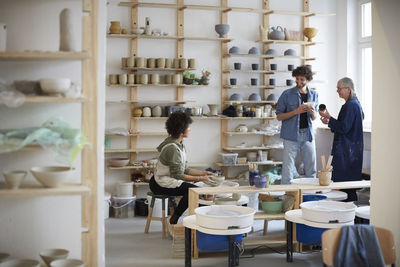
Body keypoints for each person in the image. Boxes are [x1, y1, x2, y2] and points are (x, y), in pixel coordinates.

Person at [149, 111, 214, 224]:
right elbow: (178, 175)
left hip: (166, 179)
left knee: (197, 189)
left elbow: (185, 169)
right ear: (181, 130)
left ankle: (202, 221)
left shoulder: (179, 144)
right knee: (194, 191)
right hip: (161, 183)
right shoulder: (172, 148)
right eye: (188, 127)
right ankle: (176, 218)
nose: (190, 129)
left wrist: (204, 173)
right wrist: (201, 179)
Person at [319, 77, 363, 201]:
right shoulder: (354, 104)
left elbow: (344, 128)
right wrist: (329, 121)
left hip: (346, 151)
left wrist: (329, 117)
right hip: (350, 150)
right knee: (348, 186)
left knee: (345, 185)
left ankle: (347, 213)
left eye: (339, 88)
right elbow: (344, 126)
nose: (337, 91)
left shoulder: (350, 105)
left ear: (348, 89)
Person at [275, 65, 318, 184]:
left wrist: (313, 113)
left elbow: (314, 118)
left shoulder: (314, 94)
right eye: (297, 79)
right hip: (290, 135)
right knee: (287, 169)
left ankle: (311, 196)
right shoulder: (287, 94)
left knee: (311, 168)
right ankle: (287, 197)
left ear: (308, 80)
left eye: (302, 80)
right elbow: (279, 116)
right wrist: (296, 111)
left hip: (308, 135)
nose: (299, 82)